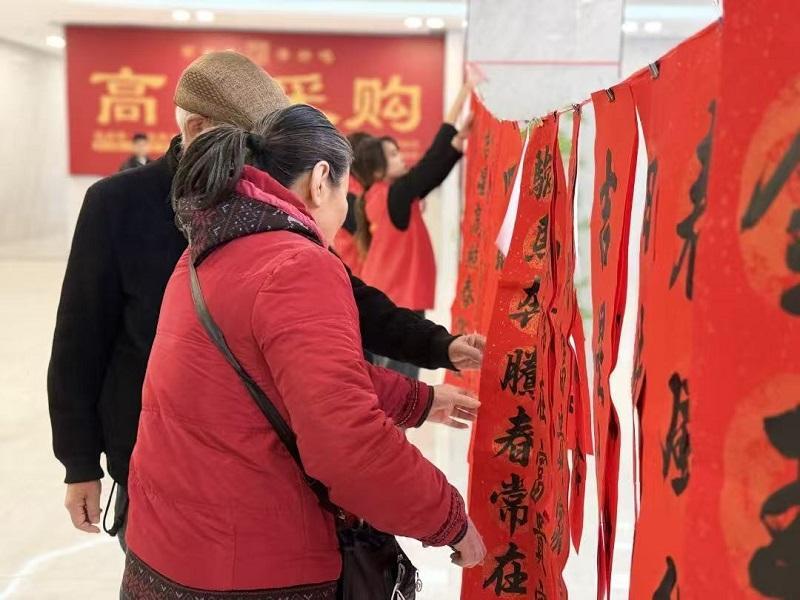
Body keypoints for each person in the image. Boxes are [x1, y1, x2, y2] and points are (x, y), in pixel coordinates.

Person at [48, 51, 485, 548]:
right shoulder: (118, 204)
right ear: (197, 128)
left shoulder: (263, 201)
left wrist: (438, 346)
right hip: (154, 464)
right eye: (247, 139)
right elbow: (79, 341)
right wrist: (79, 463)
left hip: (261, 464)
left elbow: (348, 298)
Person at [120, 103, 486, 597]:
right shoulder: (296, 263)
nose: (345, 209)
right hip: (252, 570)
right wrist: (449, 519)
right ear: (319, 181)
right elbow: (348, 446)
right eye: (343, 191)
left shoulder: (206, 247)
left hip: (164, 554)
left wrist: (418, 400)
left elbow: (286, 373)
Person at [348, 81, 474, 377]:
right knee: (399, 379)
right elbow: (428, 168)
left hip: (389, 293)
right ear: (377, 169)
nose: (401, 157)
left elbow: (430, 176)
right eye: (392, 155)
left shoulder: (376, 196)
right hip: (399, 298)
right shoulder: (395, 195)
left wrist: (457, 142)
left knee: (389, 377)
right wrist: (462, 96)